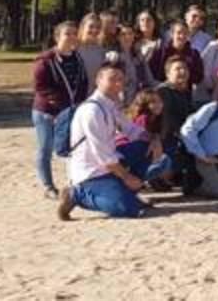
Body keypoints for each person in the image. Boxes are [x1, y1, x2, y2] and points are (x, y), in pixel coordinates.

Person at [58, 64, 150, 220]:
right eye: (112, 79)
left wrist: (152, 139)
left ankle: (126, 192)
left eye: (121, 80)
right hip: (91, 172)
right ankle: (76, 194)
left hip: (109, 165)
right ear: (98, 80)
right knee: (128, 209)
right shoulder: (92, 111)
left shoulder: (110, 106)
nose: (118, 84)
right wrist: (127, 177)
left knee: (146, 147)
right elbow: (103, 155)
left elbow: (131, 129)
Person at [32, 21, 89, 198]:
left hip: (70, 110)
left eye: (74, 33)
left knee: (71, 147)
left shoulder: (77, 57)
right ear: (57, 37)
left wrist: (78, 103)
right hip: (47, 112)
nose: (71, 37)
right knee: (45, 148)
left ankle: (75, 182)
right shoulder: (45, 59)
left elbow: (83, 81)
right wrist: (59, 108)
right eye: (67, 34)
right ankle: (48, 187)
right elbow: (40, 87)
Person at [148, 20, 204, 91]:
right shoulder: (161, 52)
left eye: (185, 33)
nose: (182, 36)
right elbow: (152, 72)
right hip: (164, 90)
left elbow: (199, 76)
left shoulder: (194, 54)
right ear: (172, 34)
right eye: (179, 33)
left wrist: (184, 79)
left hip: (185, 92)